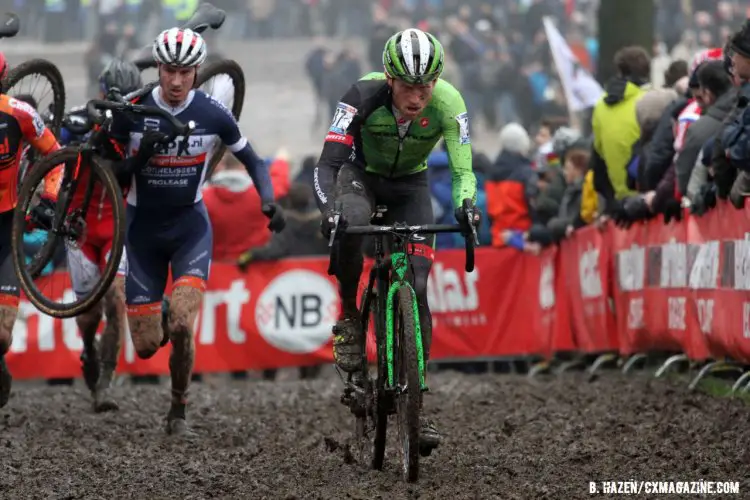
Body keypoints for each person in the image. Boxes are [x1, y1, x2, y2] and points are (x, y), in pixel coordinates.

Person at [105, 27, 285, 436]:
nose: (175, 81)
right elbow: (110, 176)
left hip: (190, 228)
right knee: (147, 344)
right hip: (141, 232)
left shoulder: (211, 112)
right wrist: (139, 158)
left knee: (184, 325)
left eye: (185, 72)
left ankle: (178, 411)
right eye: (168, 70)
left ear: (197, 71)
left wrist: (269, 200)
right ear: (158, 68)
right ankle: (163, 308)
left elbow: (255, 161)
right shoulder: (131, 110)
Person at [312, 28, 480, 453]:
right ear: (389, 78)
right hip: (359, 177)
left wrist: (466, 206)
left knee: (418, 284)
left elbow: (463, 172)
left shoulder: (450, 103)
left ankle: (415, 405)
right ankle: (351, 314)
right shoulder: (360, 94)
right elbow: (328, 164)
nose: (417, 96)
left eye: (425, 86)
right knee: (351, 220)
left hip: (410, 187)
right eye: (407, 85)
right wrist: (329, 210)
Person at [53, 59, 144, 412]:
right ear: (102, 93)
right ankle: (88, 348)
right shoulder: (82, 116)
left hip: (114, 225)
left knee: (116, 301)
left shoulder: (137, 122)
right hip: (80, 227)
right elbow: (51, 147)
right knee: (89, 315)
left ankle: (106, 383)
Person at [0, 52, 62, 408]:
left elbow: (57, 157)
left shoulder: (20, 113)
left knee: (2, 336)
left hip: (5, 231)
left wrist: (50, 199)